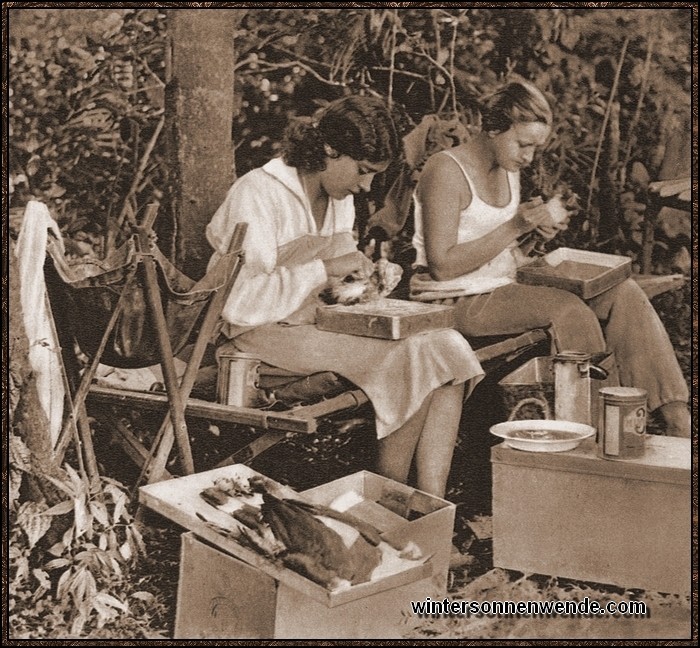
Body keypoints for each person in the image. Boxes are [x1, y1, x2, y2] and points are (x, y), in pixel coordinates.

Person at [206, 95, 484, 497]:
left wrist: (369, 282)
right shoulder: (259, 193)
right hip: (256, 333)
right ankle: (390, 501)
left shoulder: (340, 199)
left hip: (313, 325)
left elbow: (335, 291)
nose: (367, 185)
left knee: (447, 345)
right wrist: (325, 269)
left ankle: (430, 503)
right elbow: (240, 302)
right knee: (408, 359)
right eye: (364, 171)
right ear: (329, 151)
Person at [410, 80, 690, 438]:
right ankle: (597, 430)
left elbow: (500, 253)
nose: (528, 157)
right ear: (493, 128)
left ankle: (677, 418)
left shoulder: (508, 168)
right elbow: (443, 265)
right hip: (453, 298)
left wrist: (530, 238)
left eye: (535, 148)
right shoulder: (446, 170)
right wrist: (515, 226)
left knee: (626, 294)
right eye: (523, 144)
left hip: (502, 287)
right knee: (568, 310)